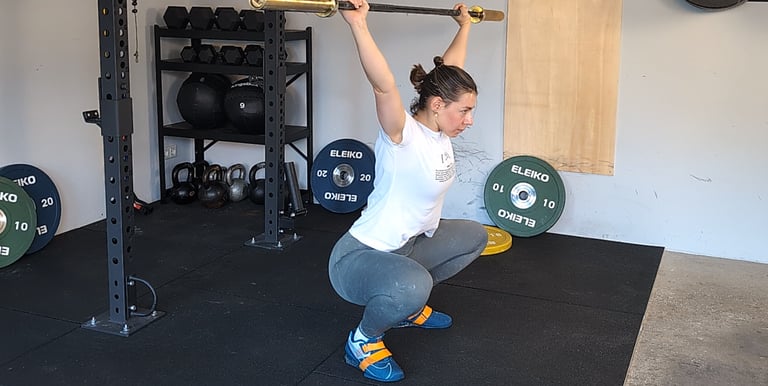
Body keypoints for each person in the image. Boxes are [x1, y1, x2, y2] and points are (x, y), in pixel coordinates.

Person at [328, 0, 488, 382]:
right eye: (464, 111)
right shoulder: (401, 135)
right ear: (436, 105)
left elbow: (450, 71)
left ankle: (404, 306)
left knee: (474, 236)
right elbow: (383, 84)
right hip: (359, 258)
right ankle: (364, 340)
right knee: (414, 285)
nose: (469, 120)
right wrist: (357, 23)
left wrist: (465, 25)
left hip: (411, 244)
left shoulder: (438, 127)